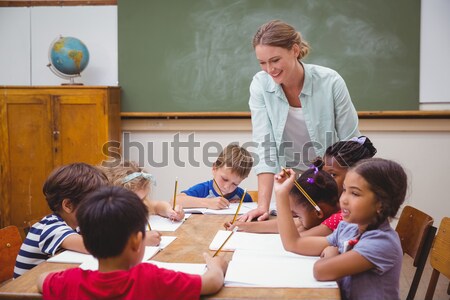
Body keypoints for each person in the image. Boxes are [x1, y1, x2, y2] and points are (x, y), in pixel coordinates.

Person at [241, 20, 360, 223]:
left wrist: (348, 196)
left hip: (331, 179)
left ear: (295, 50)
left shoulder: (330, 82)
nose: (269, 69)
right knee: (291, 233)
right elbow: (264, 145)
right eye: (262, 62)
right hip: (291, 181)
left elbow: (351, 145)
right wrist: (262, 205)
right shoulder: (260, 85)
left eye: (275, 60)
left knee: (327, 235)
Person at [37, 186, 228, 299]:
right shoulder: (151, 278)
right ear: (137, 242)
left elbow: (42, 280)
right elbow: (211, 282)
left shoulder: (73, 282)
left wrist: (69, 275)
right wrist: (216, 265)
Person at [275, 158, 406, 300]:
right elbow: (294, 243)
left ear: (380, 204)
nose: (343, 199)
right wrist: (281, 194)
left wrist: (332, 253)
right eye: (344, 190)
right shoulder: (348, 229)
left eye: (355, 193)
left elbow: (321, 271)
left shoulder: (382, 242)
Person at [227, 136, 377, 235]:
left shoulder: (343, 216)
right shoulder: (331, 205)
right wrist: (244, 226)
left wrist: (281, 193)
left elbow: (294, 237)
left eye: (332, 175)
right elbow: (295, 224)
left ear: (356, 177)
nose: (324, 177)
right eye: (323, 172)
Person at [14, 163, 108, 278]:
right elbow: (92, 246)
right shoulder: (51, 227)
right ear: (68, 205)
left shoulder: (75, 225)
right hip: (25, 291)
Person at [100, 161, 185, 246]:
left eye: (144, 198)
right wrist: (140, 240)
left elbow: (156, 206)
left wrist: (169, 211)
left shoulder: (139, 204)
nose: (141, 205)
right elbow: (96, 242)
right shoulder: (104, 214)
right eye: (135, 200)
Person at [177, 144, 253, 209]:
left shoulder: (243, 196)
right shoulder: (203, 189)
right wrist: (208, 203)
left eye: (235, 184)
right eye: (224, 179)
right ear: (214, 168)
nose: (227, 187)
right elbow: (175, 200)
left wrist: (242, 206)